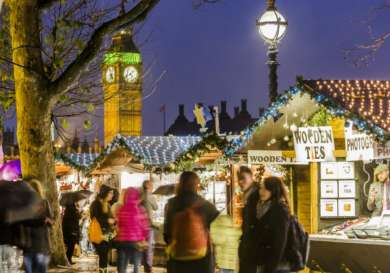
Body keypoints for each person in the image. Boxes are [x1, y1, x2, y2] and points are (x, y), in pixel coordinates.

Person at [164, 171, 219, 273]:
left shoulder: (171, 204)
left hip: (177, 260)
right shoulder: (206, 205)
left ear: (180, 184)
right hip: (202, 260)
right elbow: (217, 231)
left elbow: (166, 235)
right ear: (196, 185)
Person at [255, 176, 291, 273]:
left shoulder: (280, 210)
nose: (261, 192)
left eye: (265, 189)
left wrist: (270, 268)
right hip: (263, 262)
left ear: (273, 190)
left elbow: (280, 242)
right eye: (261, 188)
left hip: (276, 266)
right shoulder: (261, 207)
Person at [22, 179, 54, 273]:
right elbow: (50, 221)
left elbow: (23, 221)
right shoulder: (44, 202)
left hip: (28, 244)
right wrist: (46, 220)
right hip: (41, 244)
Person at [115, 187, 150, 273]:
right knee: (136, 266)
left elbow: (119, 224)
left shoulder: (121, 209)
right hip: (136, 242)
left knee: (122, 267)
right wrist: (145, 237)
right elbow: (145, 227)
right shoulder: (140, 210)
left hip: (122, 241)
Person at [238, 166, 259, 273]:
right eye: (239, 178)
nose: (240, 182)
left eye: (243, 178)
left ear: (251, 177)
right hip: (249, 250)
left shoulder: (258, 195)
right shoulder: (249, 195)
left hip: (254, 252)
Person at [90, 184, 116, 272]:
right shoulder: (96, 204)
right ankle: (102, 271)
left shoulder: (106, 204)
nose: (112, 195)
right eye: (110, 193)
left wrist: (113, 220)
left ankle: (103, 270)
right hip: (99, 233)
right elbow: (95, 218)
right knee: (103, 255)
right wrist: (108, 220)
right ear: (105, 193)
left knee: (104, 255)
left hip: (107, 234)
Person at [141, 180, 158, 273]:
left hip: (139, 225)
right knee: (149, 248)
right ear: (147, 186)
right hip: (148, 225)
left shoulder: (140, 195)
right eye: (151, 185)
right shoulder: (150, 196)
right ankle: (148, 268)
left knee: (143, 246)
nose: (153, 187)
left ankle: (144, 266)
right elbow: (156, 207)